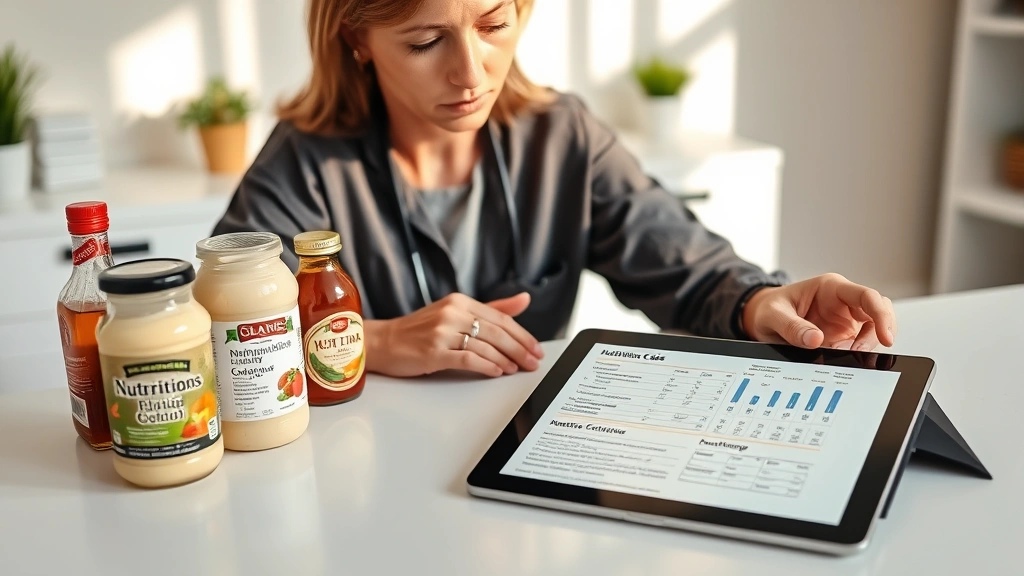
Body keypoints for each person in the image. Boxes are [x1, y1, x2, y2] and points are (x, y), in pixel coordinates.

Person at [212, 0, 898, 379]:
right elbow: (227, 332)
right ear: (358, 38)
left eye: (492, 26)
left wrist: (759, 301)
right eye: (426, 42)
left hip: (523, 466)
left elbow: (683, 263)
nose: (470, 73)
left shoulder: (563, 135)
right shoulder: (302, 164)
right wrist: (379, 341)